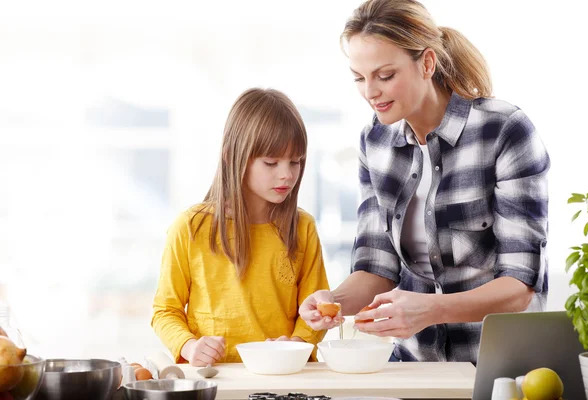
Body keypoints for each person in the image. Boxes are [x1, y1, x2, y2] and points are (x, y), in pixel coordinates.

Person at [299, 0, 550, 364]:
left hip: (502, 369)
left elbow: (519, 287)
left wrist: (431, 309)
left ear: (427, 63)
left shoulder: (504, 131)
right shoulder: (376, 143)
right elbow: (375, 268)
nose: (370, 92)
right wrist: (332, 302)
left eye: (385, 75)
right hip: (417, 370)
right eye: (359, 77)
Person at [152, 88, 329, 366]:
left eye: (295, 162)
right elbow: (165, 310)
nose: (287, 174)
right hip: (216, 380)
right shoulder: (190, 227)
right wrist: (189, 346)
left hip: (284, 378)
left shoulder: (302, 227)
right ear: (232, 156)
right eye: (271, 162)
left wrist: (296, 345)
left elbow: (316, 312)